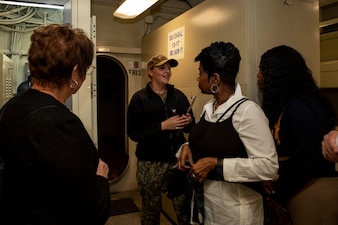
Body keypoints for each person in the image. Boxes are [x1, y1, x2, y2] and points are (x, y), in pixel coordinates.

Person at [0, 24, 111, 225]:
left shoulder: (11, 107)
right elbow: (92, 211)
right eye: (85, 69)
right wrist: (102, 180)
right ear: (75, 73)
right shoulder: (61, 123)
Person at [177, 41, 279, 225]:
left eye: (200, 73)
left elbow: (269, 167)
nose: (197, 78)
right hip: (207, 207)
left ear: (215, 79)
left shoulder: (247, 111)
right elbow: (210, 139)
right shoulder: (209, 108)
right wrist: (187, 146)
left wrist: (217, 164)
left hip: (235, 214)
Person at [257, 45, 338, 225]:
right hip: (294, 187)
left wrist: (279, 187)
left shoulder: (305, 106)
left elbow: (307, 157)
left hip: (313, 187)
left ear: (278, 73)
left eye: (262, 69)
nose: (258, 75)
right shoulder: (284, 105)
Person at [127, 54, 195, 225]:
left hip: (177, 161)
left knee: (184, 211)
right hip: (150, 164)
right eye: (162, 68)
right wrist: (163, 126)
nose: (167, 72)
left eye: (169, 68)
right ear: (150, 71)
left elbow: (189, 128)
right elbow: (134, 133)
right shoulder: (139, 99)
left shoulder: (178, 96)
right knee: (151, 212)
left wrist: (189, 121)